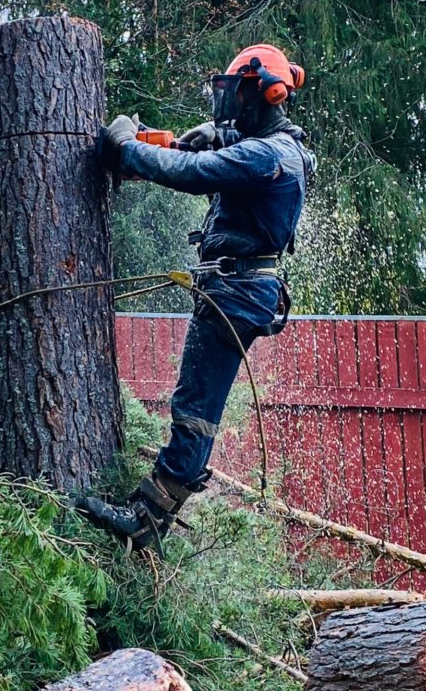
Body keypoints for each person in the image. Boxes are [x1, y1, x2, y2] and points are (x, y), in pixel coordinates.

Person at [77, 44, 316, 556]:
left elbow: (189, 174)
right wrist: (215, 135)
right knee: (196, 403)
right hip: (241, 289)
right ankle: (152, 511)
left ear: (261, 93)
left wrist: (125, 147)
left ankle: (146, 519)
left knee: (194, 408)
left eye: (235, 97)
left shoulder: (264, 156)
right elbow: (235, 148)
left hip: (236, 293)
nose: (226, 106)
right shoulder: (282, 147)